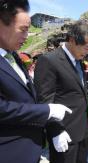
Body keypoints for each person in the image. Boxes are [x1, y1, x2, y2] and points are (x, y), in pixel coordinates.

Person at [0, 1, 71, 163]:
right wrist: (46, 111)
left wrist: (53, 128)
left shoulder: (14, 56)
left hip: (30, 150)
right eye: (23, 30)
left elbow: (28, 96)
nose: (26, 37)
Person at [34, 20, 88, 163]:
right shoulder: (48, 61)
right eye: (86, 47)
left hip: (83, 129)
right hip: (64, 133)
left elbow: (74, 80)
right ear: (72, 40)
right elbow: (44, 101)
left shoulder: (78, 60)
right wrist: (55, 131)